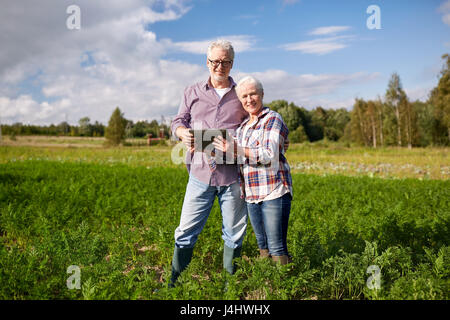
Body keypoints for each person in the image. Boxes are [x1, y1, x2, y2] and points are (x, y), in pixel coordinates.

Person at [169, 39, 249, 287]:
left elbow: (257, 121)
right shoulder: (192, 91)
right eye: (215, 61)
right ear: (208, 62)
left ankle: (229, 290)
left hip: (232, 177)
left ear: (232, 64)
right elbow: (177, 121)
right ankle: (174, 285)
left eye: (225, 62)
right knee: (185, 233)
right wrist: (182, 133)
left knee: (234, 235)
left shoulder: (241, 93)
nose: (220, 66)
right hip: (200, 175)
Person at [213, 76, 293, 265]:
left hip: (273, 190)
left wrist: (234, 148)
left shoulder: (272, 118)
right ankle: (267, 285)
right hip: (251, 193)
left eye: (253, 94)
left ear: (262, 94)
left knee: (277, 247)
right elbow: (239, 157)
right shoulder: (242, 128)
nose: (249, 100)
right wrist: (205, 148)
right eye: (244, 96)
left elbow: (269, 154)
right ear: (240, 100)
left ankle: (285, 287)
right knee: (263, 245)